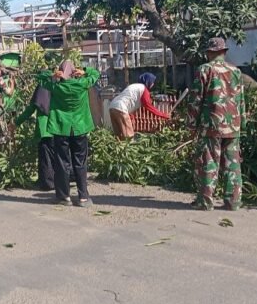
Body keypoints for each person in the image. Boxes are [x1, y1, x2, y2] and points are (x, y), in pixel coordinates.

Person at [188, 38, 246, 211]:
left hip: (212, 124)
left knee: (208, 162)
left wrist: (191, 124)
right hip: (233, 124)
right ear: (224, 52)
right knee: (233, 164)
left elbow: (196, 99)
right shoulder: (236, 71)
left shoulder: (205, 69)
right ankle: (233, 201)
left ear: (210, 52)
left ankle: (205, 201)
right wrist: (241, 122)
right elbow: (241, 99)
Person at [39, 60, 101, 207]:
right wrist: (84, 71)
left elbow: (40, 78)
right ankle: (83, 198)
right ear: (74, 72)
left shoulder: (55, 86)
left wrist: (53, 75)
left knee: (62, 163)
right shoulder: (83, 84)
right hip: (80, 128)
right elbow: (96, 74)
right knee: (80, 162)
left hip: (61, 128)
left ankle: (64, 197)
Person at [14, 84, 54, 191]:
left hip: (45, 130)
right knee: (57, 157)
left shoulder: (41, 91)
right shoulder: (57, 88)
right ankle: (58, 181)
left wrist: (16, 123)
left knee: (45, 158)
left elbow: (30, 110)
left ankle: (47, 183)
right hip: (58, 128)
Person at [109, 72, 170, 140]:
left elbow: (130, 101)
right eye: (152, 82)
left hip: (112, 106)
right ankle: (129, 149)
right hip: (121, 108)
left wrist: (131, 116)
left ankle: (117, 149)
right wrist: (164, 115)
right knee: (128, 136)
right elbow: (148, 106)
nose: (153, 84)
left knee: (119, 135)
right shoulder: (143, 89)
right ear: (148, 81)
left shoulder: (135, 86)